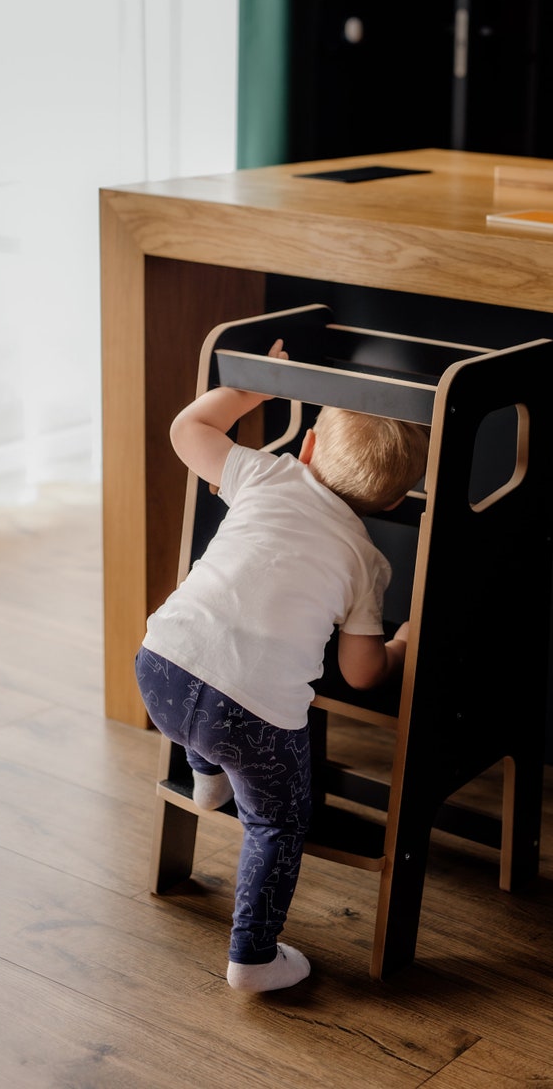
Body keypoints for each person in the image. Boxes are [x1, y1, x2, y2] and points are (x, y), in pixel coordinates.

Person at [135, 339, 430, 992]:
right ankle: (253, 956)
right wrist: (402, 645)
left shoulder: (264, 473)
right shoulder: (366, 562)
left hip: (160, 662)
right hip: (252, 717)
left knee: (199, 710)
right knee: (277, 822)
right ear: (390, 503)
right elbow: (359, 672)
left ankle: (205, 778)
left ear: (310, 447)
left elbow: (190, 429)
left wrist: (255, 390)